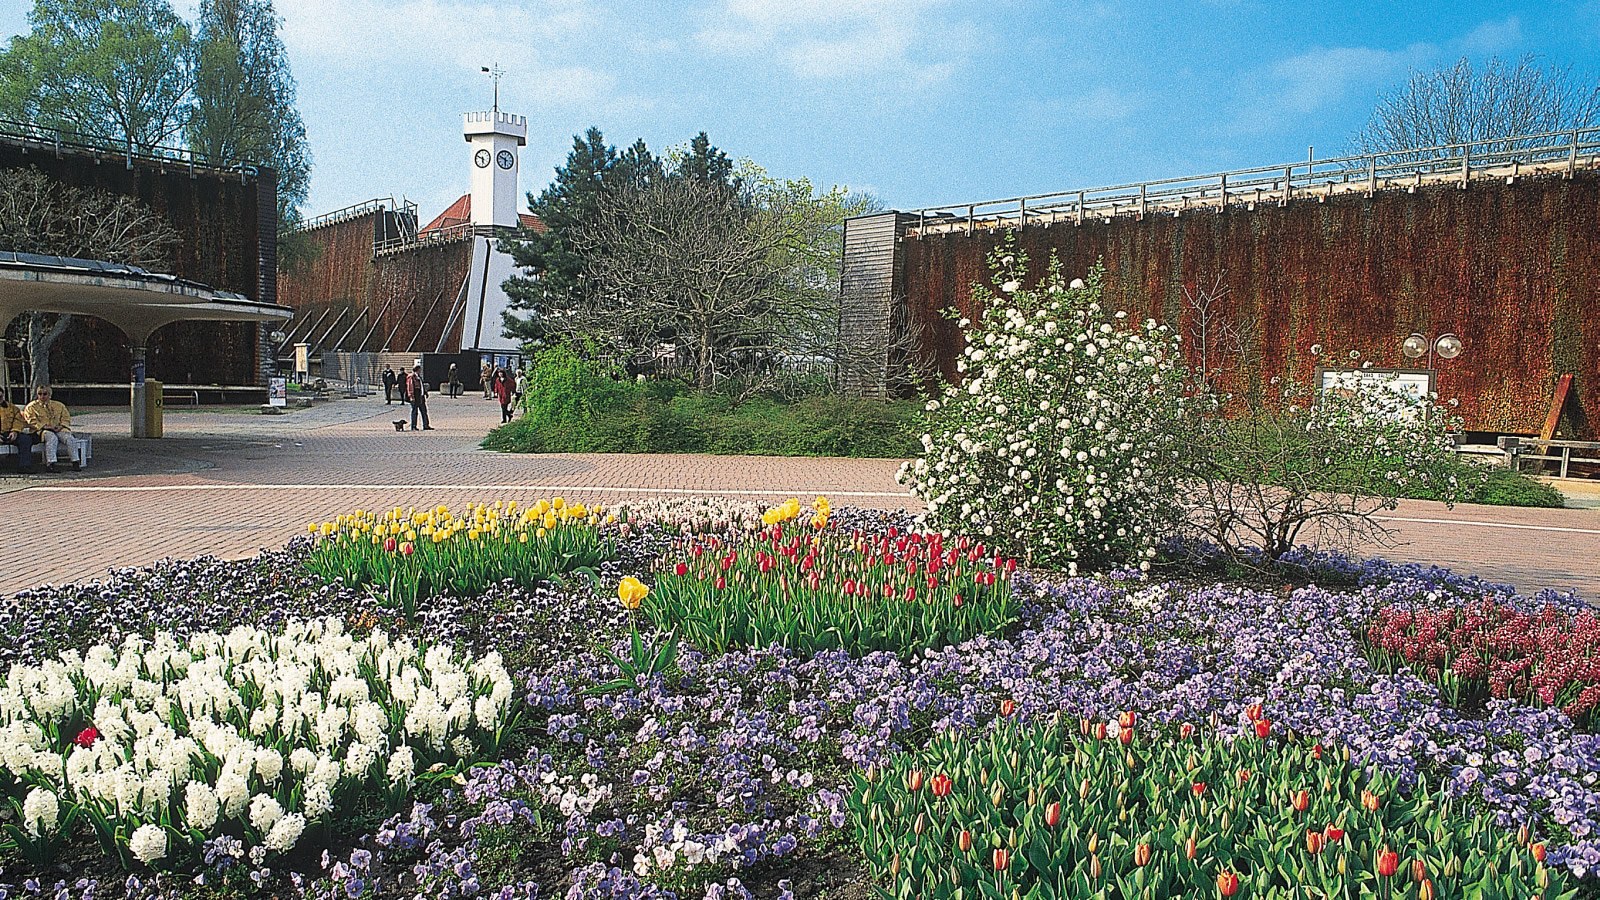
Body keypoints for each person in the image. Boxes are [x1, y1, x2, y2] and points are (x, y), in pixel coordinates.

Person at [22, 385, 80, 472]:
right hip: (41, 431)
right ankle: (51, 463)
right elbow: (32, 421)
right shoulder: (31, 407)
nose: (42, 396)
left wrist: (61, 426)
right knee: (51, 437)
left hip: (59, 428)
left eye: (45, 394)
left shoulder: (59, 405)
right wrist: (46, 427)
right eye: (39, 394)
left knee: (69, 438)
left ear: (50, 395)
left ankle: (75, 462)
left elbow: (66, 418)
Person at [1, 393, 37, 474]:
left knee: (25, 439)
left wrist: (15, 431)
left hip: (10, 432)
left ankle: (24, 466)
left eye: (1, 396)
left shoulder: (12, 407)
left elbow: (19, 420)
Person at [407, 365, 433, 431]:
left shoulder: (419, 377)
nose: (420, 371)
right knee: (415, 411)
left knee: (424, 411)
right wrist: (411, 396)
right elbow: (410, 387)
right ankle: (413, 426)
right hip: (415, 396)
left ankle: (426, 425)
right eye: (419, 369)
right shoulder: (412, 377)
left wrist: (425, 393)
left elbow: (421, 386)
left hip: (420, 396)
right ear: (417, 369)